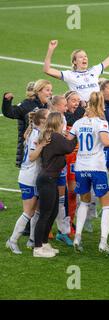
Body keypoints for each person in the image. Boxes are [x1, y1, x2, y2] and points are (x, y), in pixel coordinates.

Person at [67, 91, 109, 255]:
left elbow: (68, 140)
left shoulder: (78, 122)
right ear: (101, 105)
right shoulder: (101, 123)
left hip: (80, 167)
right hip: (96, 167)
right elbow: (106, 142)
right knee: (106, 205)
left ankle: (77, 237)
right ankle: (103, 242)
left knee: (84, 202)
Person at [34, 112, 77, 258]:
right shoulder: (56, 137)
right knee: (45, 214)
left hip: (50, 178)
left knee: (51, 213)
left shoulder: (51, 136)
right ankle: (37, 248)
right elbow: (69, 147)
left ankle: (44, 243)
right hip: (48, 179)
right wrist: (75, 132)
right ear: (58, 123)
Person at [6, 109, 49, 254]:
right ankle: (12, 241)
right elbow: (32, 156)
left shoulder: (35, 131)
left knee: (37, 210)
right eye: (48, 116)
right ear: (42, 120)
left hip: (34, 176)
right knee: (28, 212)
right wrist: (42, 146)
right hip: (28, 177)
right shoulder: (36, 134)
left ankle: (32, 240)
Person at [43, 29, 109, 102]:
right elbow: (47, 70)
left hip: (98, 108)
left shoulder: (94, 70)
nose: (84, 59)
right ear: (74, 61)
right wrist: (51, 50)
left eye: (85, 56)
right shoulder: (70, 75)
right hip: (82, 110)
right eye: (81, 57)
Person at [2, 79, 52, 167]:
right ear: (38, 91)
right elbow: (10, 113)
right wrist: (7, 101)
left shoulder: (49, 105)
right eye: (47, 90)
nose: (50, 93)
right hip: (29, 148)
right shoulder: (27, 104)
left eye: (51, 90)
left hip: (44, 147)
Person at [64, 90, 85, 236]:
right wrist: (82, 108)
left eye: (78, 100)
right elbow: (72, 118)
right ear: (65, 102)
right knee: (56, 195)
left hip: (74, 160)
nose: (76, 103)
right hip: (60, 160)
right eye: (73, 100)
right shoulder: (62, 117)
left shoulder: (81, 117)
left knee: (72, 193)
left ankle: (69, 224)